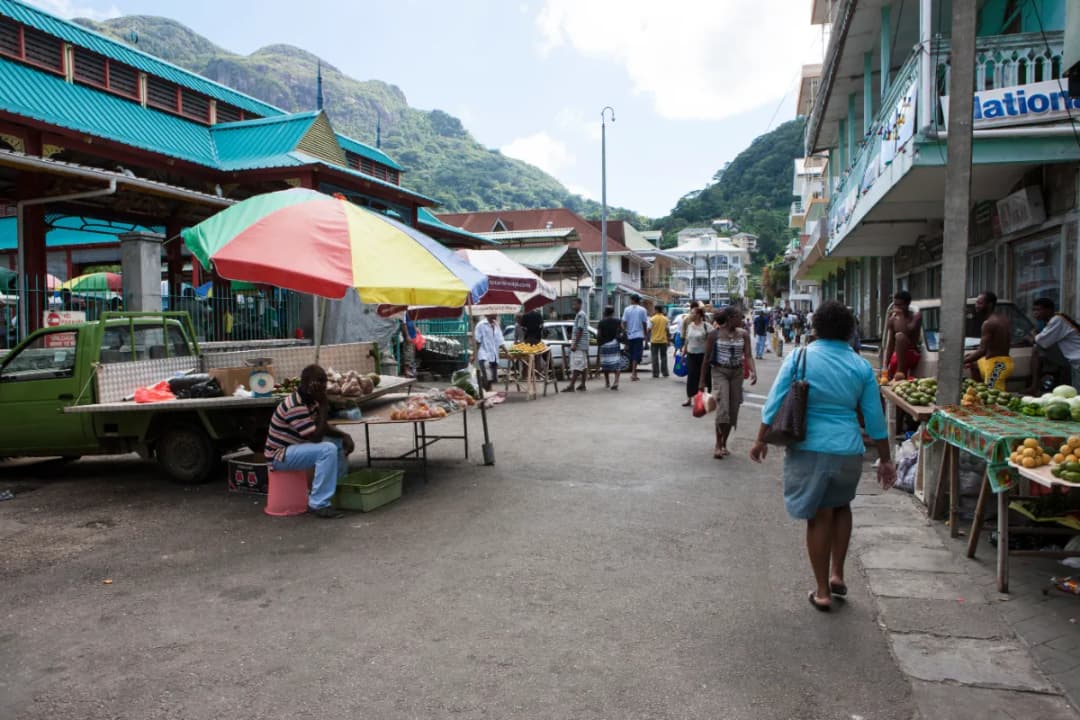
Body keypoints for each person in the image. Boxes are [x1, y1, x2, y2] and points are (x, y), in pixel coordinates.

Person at [749, 301, 895, 611]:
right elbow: (874, 417)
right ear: (850, 331)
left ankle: (822, 592)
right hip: (848, 450)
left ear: (815, 328)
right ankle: (838, 574)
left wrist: (760, 439)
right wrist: (885, 459)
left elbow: (774, 402)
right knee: (841, 507)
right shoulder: (860, 366)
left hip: (810, 448)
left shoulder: (800, 357)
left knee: (818, 517)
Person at [265, 364, 355, 519]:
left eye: (324, 381)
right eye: (319, 382)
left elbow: (322, 427)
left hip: (294, 448)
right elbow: (316, 438)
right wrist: (324, 406)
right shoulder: (295, 404)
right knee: (327, 449)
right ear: (307, 384)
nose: (323, 386)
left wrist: (344, 436)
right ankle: (318, 503)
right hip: (279, 456)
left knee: (337, 443)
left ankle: (336, 491)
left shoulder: (310, 400)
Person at [700, 308, 756, 459]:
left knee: (733, 410)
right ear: (730, 318)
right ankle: (718, 444)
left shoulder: (744, 334)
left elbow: (748, 355)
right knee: (723, 408)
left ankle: (724, 442)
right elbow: (706, 359)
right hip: (720, 372)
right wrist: (702, 381)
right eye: (739, 317)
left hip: (737, 374)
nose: (742, 320)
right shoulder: (715, 335)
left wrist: (753, 371)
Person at [1029, 298, 1080, 392]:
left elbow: (1041, 341)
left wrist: (1033, 335)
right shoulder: (1053, 320)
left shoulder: (1057, 320)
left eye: (1038, 310)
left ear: (1048, 310)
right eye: (1034, 310)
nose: (1035, 313)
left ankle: (1035, 386)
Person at [965, 291, 1012, 390]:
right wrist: (971, 358)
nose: (976, 306)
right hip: (1000, 361)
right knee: (974, 363)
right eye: (976, 303)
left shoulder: (988, 323)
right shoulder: (1002, 318)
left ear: (989, 305)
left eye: (980, 303)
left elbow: (982, 350)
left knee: (993, 398)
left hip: (997, 366)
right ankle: (976, 392)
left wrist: (961, 361)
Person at [882, 290, 922, 379]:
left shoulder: (916, 317)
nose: (897, 307)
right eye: (896, 304)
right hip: (897, 356)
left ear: (908, 304)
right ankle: (894, 375)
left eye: (900, 305)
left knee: (900, 336)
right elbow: (891, 344)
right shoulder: (893, 319)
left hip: (912, 353)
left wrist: (901, 316)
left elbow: (907, 331)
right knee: (892, 365)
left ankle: (901, 373)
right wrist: (885, 365)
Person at [681, 305, 710, 406]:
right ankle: (689, 398)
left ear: (698, 315)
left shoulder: (706, 326)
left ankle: (701, 399)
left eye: (693, 313)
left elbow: (712, 340)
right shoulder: (690, 326)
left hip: (703, 355)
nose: (691, 315)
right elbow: (687, 340)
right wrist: (683, 353)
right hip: (691, 355)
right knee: (691, 377)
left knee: (702, 378)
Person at [563, 297, 589, 392]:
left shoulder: (581, 315)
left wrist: (575, 344)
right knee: (583, 365)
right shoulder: (579, 315)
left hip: (579, 345)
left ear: (579, 304)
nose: (573, 306)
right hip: (582, 345)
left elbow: (580, 330)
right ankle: (582, 384)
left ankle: (571, 385)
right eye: (572, 304)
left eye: (575, 304)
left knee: (577, 365)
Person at [621, 294, 649, 381]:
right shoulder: (643, 310)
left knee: (632, 354)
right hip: (639, 335)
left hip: (629, 335)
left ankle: (634, 373)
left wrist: (624, 331)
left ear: (632, 300)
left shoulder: (627, 309)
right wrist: (645, 335)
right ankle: (633, 373)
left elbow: (623, 322)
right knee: (636, 355)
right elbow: (644, 323)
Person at [474, 313, 504, 391]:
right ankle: (485, 392)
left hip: (493, 354)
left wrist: (507, 352)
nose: (496, 315)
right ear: (488, 314)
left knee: (491, 377)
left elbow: (500, 340)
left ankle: (488, 391)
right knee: (486, 375)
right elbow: (478, 340)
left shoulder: (496, 325)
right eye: (494, 313)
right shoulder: (481, 325)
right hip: (483, 353)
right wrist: (474, 354)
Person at [597, 305, 623, 390]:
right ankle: (616, 381)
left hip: (604, 345)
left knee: (605, 364)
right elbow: (623, 331)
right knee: (616, 364)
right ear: (613, 312)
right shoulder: (618, 321)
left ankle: (607, 382)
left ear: (605, 312)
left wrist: (599, 344)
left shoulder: (601, 322)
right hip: (614, 344)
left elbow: (598, 335)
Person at [649, 305, 669, 378]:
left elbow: (648, 329)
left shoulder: (652, 319)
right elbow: (667, 330)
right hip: (663, 340)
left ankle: (655, 373)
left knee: (654, 357)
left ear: (656, 310)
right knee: (663, 357)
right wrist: (668, 340)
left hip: (654, 341)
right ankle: (665, 372)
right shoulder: (665, 319)